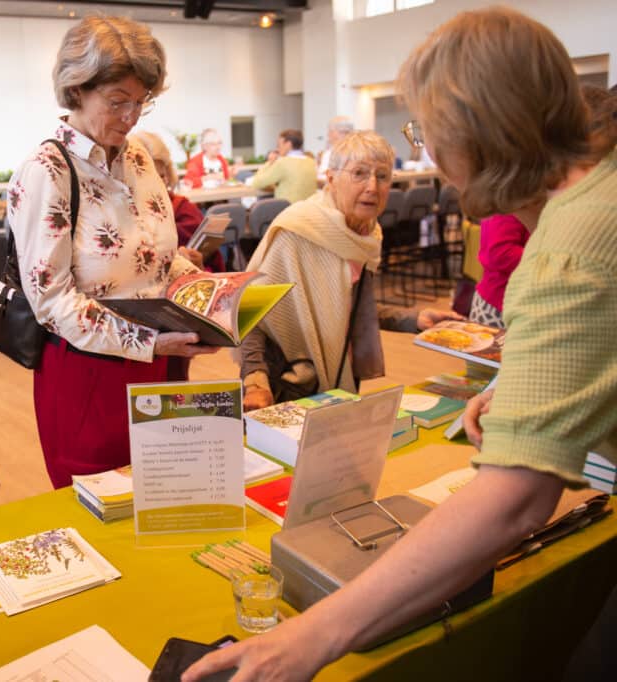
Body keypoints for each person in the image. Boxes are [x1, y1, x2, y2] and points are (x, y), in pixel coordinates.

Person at [185, 8, 617, 681]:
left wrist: (307, 640)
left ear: (480, 132)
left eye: (427, 134)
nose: (431, 163)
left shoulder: (568, 252)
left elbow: (514, 498)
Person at [8, 16, 219, 489]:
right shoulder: (47, 170)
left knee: (166, 493)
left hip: (160, 362)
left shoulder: (138, 156)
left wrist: (206, 291)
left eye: (141, 102)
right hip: (89, 373)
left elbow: (158, 256)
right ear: (77, 90)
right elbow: (51, 301)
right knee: (101, 504)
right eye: (118, 101)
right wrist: (147, 343)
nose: (131, 117)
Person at [239, 130, 458, 410]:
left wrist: (413, 320)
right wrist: (255, 382)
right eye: (359, 174)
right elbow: (248, 312)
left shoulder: (366, 234)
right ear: (330, 179)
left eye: (382, 176)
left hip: (340, 378)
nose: (372, 186)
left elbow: (347, 309)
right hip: (285, 384)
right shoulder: (299, 230)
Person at [130, 131, 224, 272]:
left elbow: (213, 266)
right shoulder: (126, 218)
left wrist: (198, 266)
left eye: (162, 176)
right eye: (150, 178)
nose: (159, 184)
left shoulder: (184, 208)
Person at [470, 213, 529, 327]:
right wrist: (544, 256)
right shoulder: (508, 207)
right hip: (500, 301)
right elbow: (502, 254)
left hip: (502, 298)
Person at [249, 128, 318, 203]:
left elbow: (257, 183)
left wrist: (269, 162)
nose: (277, 149)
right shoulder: (311, 162)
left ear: (288, 144)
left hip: (287, 211)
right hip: (308, 209)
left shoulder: (282, 162)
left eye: (279, 145)